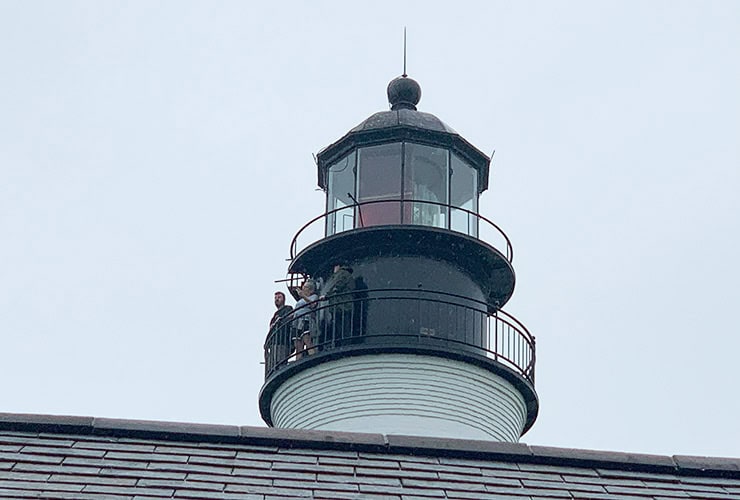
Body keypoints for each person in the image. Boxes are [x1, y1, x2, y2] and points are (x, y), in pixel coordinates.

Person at [320, 262, 355, 345]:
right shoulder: (348, 275)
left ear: (338, 266)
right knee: (344, 325)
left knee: (341, 326)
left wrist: (326, 295)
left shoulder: (342, 273)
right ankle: (343, 342)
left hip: (341, 305)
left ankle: (342, 343)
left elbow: (337, 286)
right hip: (345, 304)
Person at [292, 280, 319, 359]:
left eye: (306, 287)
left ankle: (313, 357)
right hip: (296, 321)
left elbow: (313, 304)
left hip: (305, 319)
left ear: (311, 290)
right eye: (303, 287)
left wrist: (303, 296)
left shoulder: (314, 296)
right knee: (298, 344)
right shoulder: (300, 301)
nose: (303, 288)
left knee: (307, 340)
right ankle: (298, 360)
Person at [267, 291, 293, 369]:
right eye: (275, 298)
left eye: (279, 297)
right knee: (274, 362)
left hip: (283, 340)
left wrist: (279, 322)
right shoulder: (274, 315)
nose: (276, 299)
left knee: (281, 361)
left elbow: (289, 319)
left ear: (284, 299)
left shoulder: (287, 308)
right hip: (275, 342)